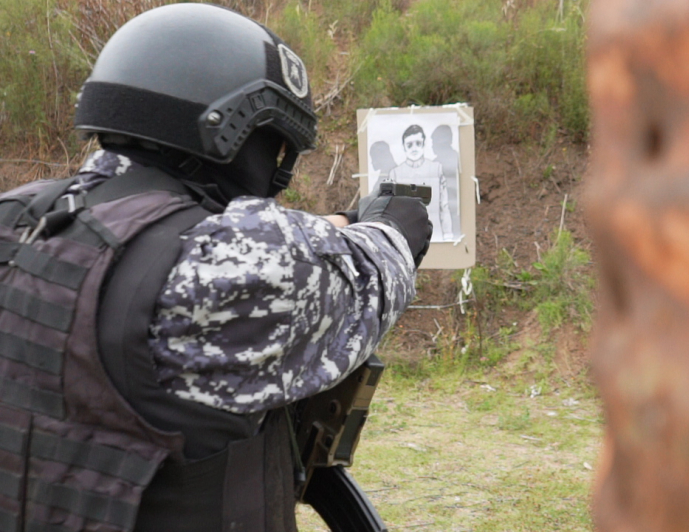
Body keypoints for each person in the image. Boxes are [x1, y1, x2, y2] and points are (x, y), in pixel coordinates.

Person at [0, 4, 430, 532]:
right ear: (232, 129)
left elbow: (160, 239)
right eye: (273, 146)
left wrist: (336, 222)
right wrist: (391, 228)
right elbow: (370, 279)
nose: (276, 171)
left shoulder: (20, 215)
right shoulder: (235, 261)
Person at [388, 124, 454, 241]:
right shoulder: (395, 174)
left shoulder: (436, 168)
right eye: (409, 145)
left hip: (435, 234)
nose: (414, 148)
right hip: (406, 237)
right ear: (404, 147)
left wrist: (447, 233)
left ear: (424, 144)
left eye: (418, 143)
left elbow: (444, 205)